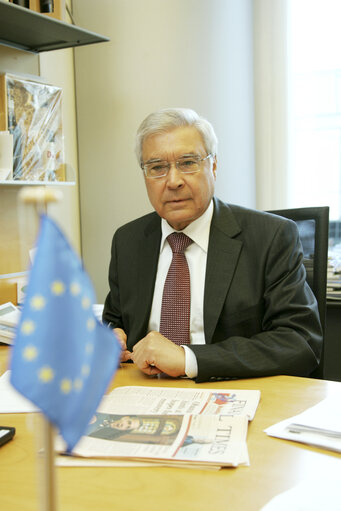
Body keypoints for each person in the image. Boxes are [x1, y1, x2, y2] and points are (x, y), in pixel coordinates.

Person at [102, 107, 322, 383]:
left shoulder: (270, 237)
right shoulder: (128, 241)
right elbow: (114, 320)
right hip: (141, 395)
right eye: (157, 167)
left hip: (232, 395)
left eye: (187, 162)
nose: (173, 181)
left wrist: (189, 359)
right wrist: (112, 337)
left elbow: (299, 342)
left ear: (213, 165)